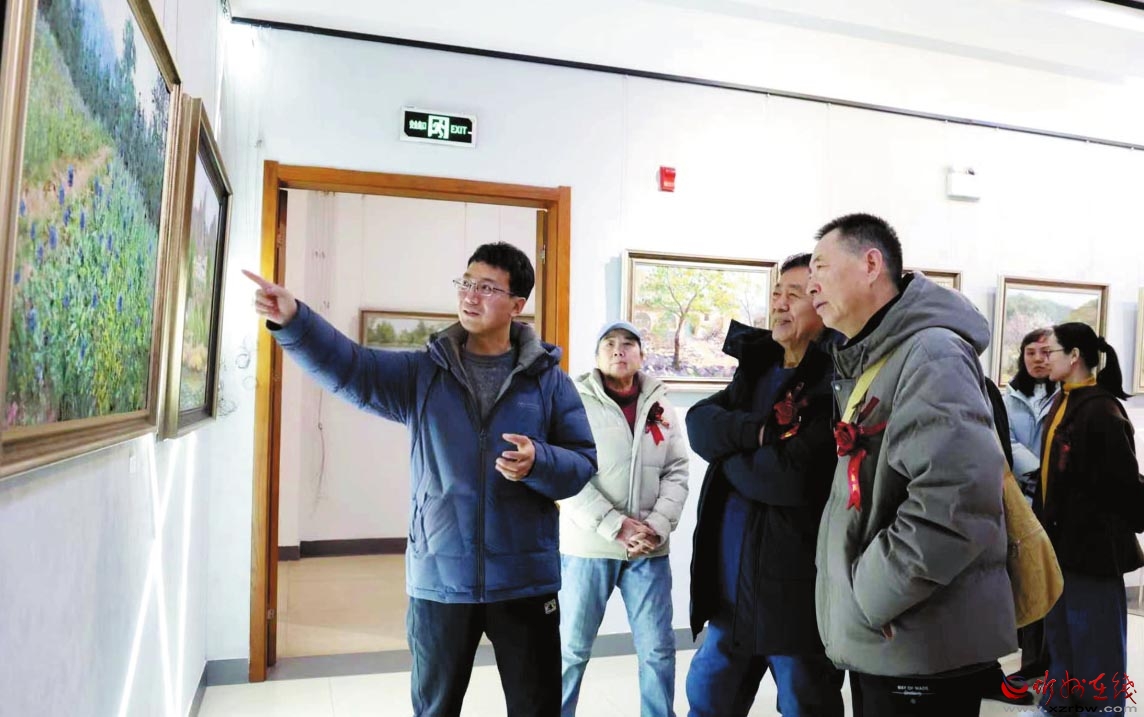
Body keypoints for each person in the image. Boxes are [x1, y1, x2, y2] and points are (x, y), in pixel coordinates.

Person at [244, 241, 597, 717]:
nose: (470, 295)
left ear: (517, 305)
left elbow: (582, 463)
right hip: (440, 578)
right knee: (435, 709)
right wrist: (294, 321)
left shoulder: (549, 381)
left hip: (525, 581)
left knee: (536, 708)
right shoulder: (425, 373)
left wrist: (540, 462)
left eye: (487, 288)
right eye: (466, 283)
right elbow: (352, 367)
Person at [807, 213, 1015, 717]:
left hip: (918, 634)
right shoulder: (884, 355)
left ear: (870, 264)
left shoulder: (931, 352)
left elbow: (955, 501)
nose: (811, 285)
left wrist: (870, 595)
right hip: (897, 636)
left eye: (820, 267)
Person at [685, 253, 845, 717]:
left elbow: (789, 479)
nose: (780, 303)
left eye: (795, 294)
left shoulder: (834, 381)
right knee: (707, 703)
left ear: (824, 303)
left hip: (794, 603)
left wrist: (725, 452)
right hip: (729, 593)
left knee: (806, 706)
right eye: (777, 293)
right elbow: (698, 421)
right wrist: (757, 435)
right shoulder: (755, 369)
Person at [558, 320, 690, 717]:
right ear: (597, 356)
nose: (619, 350)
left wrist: (657, 526)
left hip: (648, 549)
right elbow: (563, 474)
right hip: (589, 548)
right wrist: (615, 525)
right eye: (610, 344)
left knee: (658, 651)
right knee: (571, 650)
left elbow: (677, 471)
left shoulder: (661, 405)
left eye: (629, 344)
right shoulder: (572, 402)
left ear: (641, 355)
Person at [1032, 322, 1144, 713]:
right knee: (1062, 636)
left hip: (1091, 550)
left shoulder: (1101, 410)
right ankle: (1061, 703)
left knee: (1095, 642)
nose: (1044, 359)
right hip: (1061, 546)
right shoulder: (1065, 400)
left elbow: (1124, 484)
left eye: (1051, 351)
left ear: (1075, 356)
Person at [1003, 328, 1059, 685]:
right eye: (1031, 353)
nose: (1038, 359)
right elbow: (1003, 438)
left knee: (1055, 578)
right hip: (1023, 496)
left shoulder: (1064, 394)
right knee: (1028, 575)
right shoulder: (1008, 397)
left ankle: (1054, 661)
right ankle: (1031, 658)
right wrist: (1037, 469)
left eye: (1045, 352)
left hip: (1058, 499)